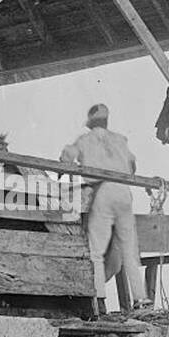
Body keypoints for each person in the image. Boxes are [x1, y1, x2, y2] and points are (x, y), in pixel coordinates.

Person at [60, 103, 149, 312]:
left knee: (96, 250)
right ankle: (141, 300)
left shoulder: (84, 140)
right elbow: (133, 165)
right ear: (106, 121)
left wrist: (69, 165)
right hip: (124, 192)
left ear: (90, 123)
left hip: (103, 190)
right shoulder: (120, 139)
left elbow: (66, 156)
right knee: (129, 250)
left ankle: (99, 300)